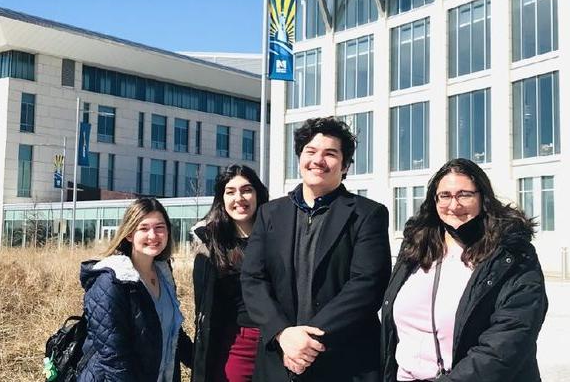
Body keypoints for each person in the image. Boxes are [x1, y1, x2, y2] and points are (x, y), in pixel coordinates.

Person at [241, 117, 392, 382]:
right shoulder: (270, 214)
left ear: (345, 166)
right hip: (279, 359)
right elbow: (253, 279)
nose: (318, 160)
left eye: (330, 154)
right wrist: (282, 334)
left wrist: (306, 342)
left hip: (344, 361)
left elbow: (367, 285)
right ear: (299, 158)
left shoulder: (368, 214)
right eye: (310, 152)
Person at [380, 158, 548, 382]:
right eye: (445, 195)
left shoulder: (511, 253)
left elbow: (510, 337)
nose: (454, 205)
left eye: (464, 194)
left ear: (483, 197)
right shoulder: (416, 246)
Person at [78, 198, 192, 382]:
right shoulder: (111, 281)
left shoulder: (163, 273)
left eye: (160, 227)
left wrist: (204, 363)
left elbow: (171, 332)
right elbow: (114, 358)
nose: (153, 235)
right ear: (129, 234)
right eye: (144, 228)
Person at [191, 165, 269, 382]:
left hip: (277, 341)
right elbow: (203, 311)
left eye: (246, 190)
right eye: (230, 191)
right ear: (221, 199)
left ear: (258, 194)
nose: (239, 198)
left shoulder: (278, 236)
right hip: (236, 343)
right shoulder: (211, 244)